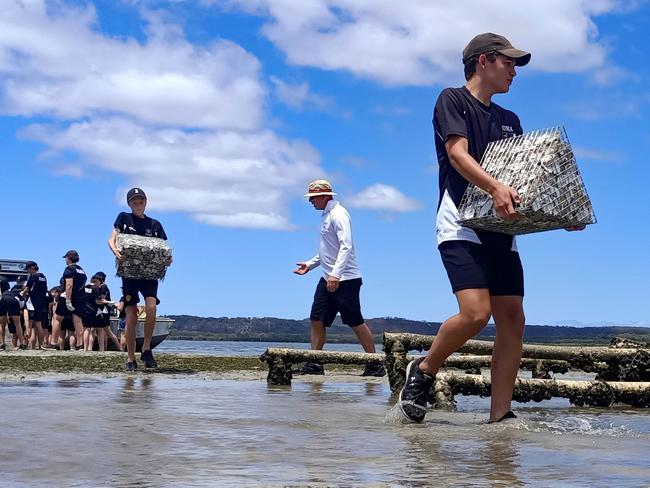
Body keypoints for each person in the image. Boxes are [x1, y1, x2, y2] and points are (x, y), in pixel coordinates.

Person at [398, 33, 584, 423]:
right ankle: (425, 368)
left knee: (513, 317)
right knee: (476, 314)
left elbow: (525, 179)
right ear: (483, 61)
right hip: (459, 224)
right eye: (509, 62)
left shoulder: (509, 120)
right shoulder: (452, 100)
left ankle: (500, 414)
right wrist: (495, 186)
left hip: (500, 231)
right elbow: (457, 155)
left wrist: (560, 213)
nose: (515, 71)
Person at [293, 179, 385, 377]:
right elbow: (327, 251)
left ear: (325, 196)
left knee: (354, 320)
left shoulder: (339, 214)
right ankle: (315, 363)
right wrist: (309, 265)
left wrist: (336, 274)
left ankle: (375, 364)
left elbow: (346, 246)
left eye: (313, 198)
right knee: (317, 319)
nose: (311, 202)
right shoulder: (326, 216)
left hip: (347, 279)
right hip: (327, 277)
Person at [108, 187, 172, 371]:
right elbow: (112, 239)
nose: (138, 204)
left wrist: (167, 261)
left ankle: (146, 348)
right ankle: (130, 358)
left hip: (150, 275)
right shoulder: (123, 218)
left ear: (146, 202)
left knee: (151, 307)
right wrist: (115, 251)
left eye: (140, 201)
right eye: (134, 202)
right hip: (129, 274)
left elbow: (163, 250)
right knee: (131, 314)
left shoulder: (155, 225)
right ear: (129, 204)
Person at [42, 251, 87, 350]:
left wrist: (67, 300)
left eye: (66, 258)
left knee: (57, 319)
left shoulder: (69, 269)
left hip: (67, 296)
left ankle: (53, 343)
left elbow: (69, 285)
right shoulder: (82, 270)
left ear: (68, 258)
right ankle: (80, 345)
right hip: (80, 297)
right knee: (78, 321)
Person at [24, 261, 48, 349]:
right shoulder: (43, 277)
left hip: (32, 303)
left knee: (28, 325)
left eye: (28, 269)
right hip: (40, 303)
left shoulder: (33, 276)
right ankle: (41, 345)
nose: (28, 271)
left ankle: (25, 344)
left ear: (32, 268)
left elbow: (27, 288)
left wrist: (22, 294)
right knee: (39, 325)